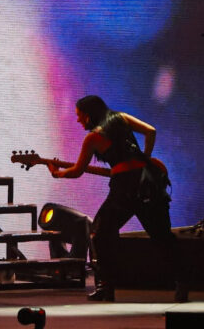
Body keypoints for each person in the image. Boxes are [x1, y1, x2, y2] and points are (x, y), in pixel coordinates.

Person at [47, 95, 188, 302]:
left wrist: (56, 172)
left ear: (88, 115)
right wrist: (145, 158)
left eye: (79, 116)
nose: (78, 121)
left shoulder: (93, 138)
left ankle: (107, 287)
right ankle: (182, 283)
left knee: (100, 233)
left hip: (125, 188)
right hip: (148, 183)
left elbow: (77, 171)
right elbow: (151, 131)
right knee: (162, 236)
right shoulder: (120, 118)